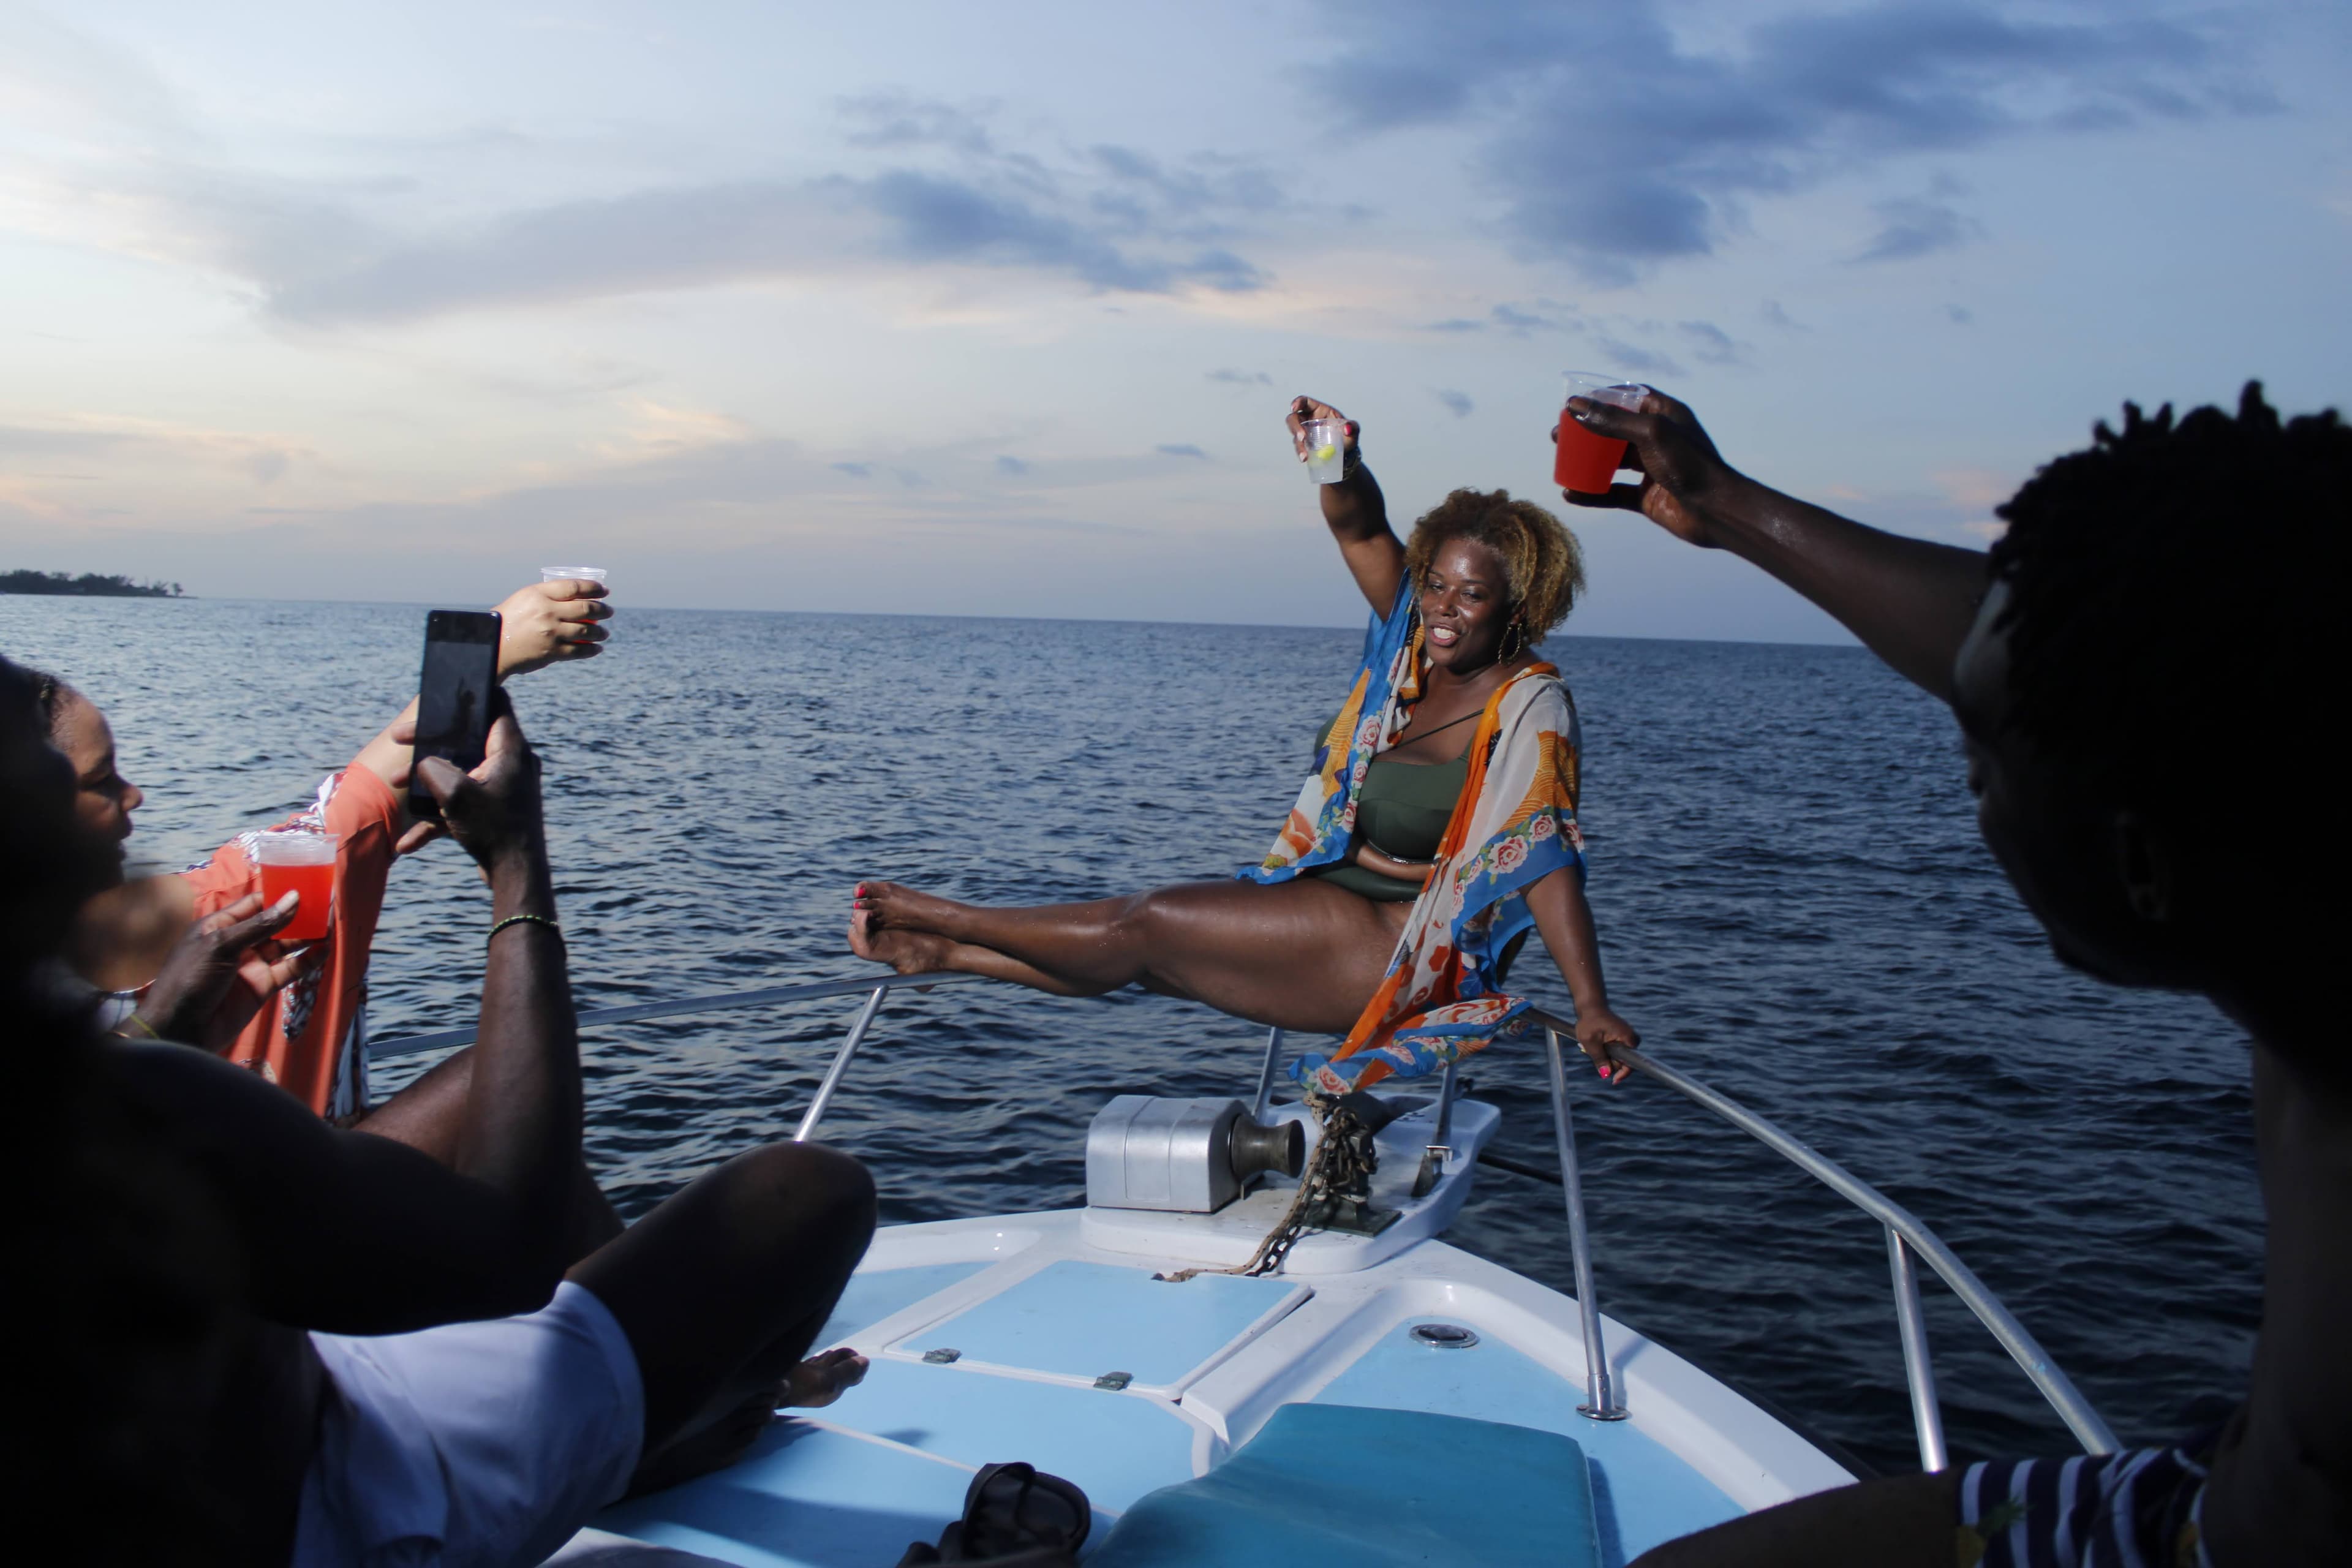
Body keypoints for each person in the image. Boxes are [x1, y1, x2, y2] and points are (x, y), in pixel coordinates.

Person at [1554, 384, 2348, 1567]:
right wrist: (1725, 503)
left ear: (2139, 859)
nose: (1967, 785)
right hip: (2183, 1498)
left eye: (1981, 757)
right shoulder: (2272, 772)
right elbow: (2034, 639)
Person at [1, 653, 876, 1565]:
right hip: (338, 1507)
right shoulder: (130, 1111)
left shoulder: (99, 1085)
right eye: (91, 784)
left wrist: (159, 1029)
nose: (135, 799)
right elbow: (507, 1252)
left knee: (474, 1090)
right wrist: (516, 870)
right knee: (811, 1191)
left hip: (265, 1413)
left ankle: (656, 1408)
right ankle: (664, 1437)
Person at [851, 396, 1639, 1092]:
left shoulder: (1531, 704)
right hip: (1322, 893)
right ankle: (942, 958)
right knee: (1148, 953)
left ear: (1518, 604)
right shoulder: (1409, 647)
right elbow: (1359, 522)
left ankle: (951, 919)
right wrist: (1332, 450)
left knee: (1149, 923)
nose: (1442, 606)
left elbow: (1545, 855)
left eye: (1472, 593)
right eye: (1435, 582)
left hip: (1399, 947)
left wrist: (1591, 1003)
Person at [43, 576, 611, 1122]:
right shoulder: (179, 919)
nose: (134, 795)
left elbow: (352, 810)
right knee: (504, 1089)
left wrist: (490, 654)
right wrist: (517, 858)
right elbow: (351, 815)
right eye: (100, 782)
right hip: (278, 1205)